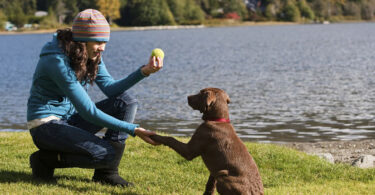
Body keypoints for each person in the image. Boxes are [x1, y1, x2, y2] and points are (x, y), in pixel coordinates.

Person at [27, 9, 161, 187]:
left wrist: (144, 72)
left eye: (105, 42)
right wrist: (133, 129)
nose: (103, 47)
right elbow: (89, 112)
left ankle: (106, 174)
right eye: (98, 42)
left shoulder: (90, 54)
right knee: (104, 154)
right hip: (45, 127)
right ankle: (45, 160)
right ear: (82, 40)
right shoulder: (56, 61)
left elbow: (110, 88)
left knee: (126, 102)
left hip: (68, 121)